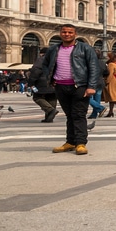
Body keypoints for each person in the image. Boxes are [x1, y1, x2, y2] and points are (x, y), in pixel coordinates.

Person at [43, 24, 100, 155]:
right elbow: (45, 65)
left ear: (75, 34)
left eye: (70, 32)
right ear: (60, 33)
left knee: (79, 114)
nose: (67, 34)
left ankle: (80, 143)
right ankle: (70, 142)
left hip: (79, 86)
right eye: (64, 32)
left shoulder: (85, 48)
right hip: (61, 86)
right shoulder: (53, 49)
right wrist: (51, 79)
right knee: (69, 115)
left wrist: (91, 86)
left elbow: (94, 67)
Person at [28, 47, 58, 122]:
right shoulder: (56, 59)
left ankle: (50, 110)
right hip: (55, 82)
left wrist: (31, 83)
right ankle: (49, 118)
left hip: (43, 83)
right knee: (51, 98)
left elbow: (35, 72)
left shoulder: (41, 59)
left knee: (37, 97)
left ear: (42, 53)